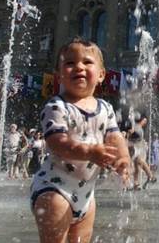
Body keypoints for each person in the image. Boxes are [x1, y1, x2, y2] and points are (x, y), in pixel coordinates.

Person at [30, 37, 130, 243]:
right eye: (69, 63)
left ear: (102, 75)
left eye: (87, 62)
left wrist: (123, 159)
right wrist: (89, 152)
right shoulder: (56, 106)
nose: (79, 67)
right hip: (53, 190)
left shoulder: (105, 108)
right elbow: (57, 142)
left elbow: (115, 137)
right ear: (58, 75)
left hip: (86, 194)